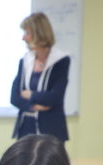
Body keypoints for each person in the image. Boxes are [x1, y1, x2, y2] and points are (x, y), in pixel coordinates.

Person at [11, 12, 69, 142]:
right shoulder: (25, 61)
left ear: (39, 34)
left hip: (52, 131)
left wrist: (30, 94)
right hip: (25, 129)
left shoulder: (60, 61)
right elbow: (14, 97)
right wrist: (34, 106)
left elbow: (55, 97)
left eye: (27, 33)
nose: (23, 38)